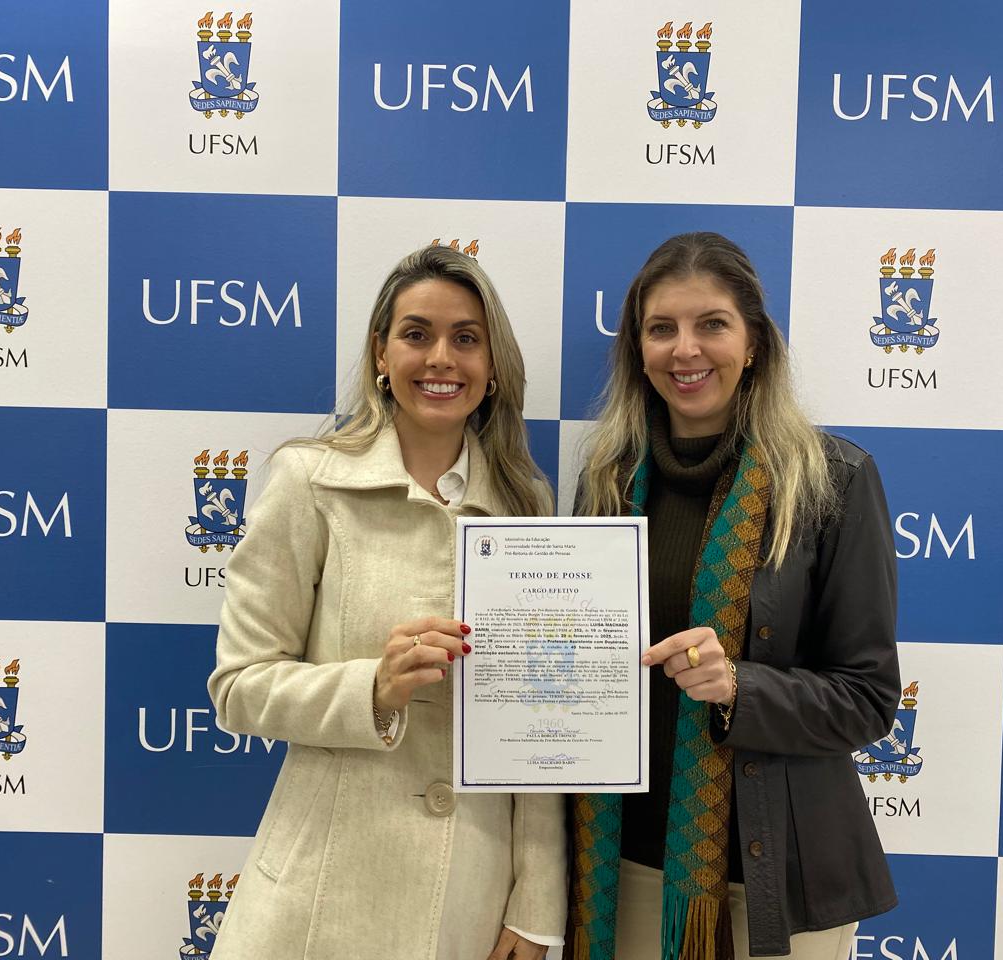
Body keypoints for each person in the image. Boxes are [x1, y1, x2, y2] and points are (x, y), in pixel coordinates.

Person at [208, 245, 566, 960]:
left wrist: (538, 906)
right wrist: (371, 689)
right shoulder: (310, 481)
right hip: (321, 895)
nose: (441, 359)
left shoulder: (527, 508)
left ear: (493, 365)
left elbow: (540, 731)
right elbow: (238, 689)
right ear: (381, 352)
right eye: (416, 334)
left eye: (467, 338)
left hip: (469, 895)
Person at [566, 233, 899, 960]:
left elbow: (869, 698)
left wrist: (737, 688)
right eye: (662, 328)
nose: (685, 349)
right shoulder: (608, 482)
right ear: (638, 350)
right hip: (624, 869)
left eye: (711, 324)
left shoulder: (831, 481)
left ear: (753, 345)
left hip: (773, 882)